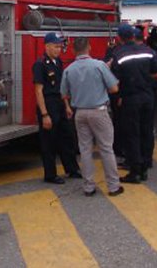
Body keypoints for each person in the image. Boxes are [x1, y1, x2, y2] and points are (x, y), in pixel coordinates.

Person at [61, 37, 123, 197]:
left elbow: (64, 94)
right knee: (106, 148)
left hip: (80, 113)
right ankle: (113, 186)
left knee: (85, 149)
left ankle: (88, 187)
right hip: (99, 111)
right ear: (89, 47)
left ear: (73, 51)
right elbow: (114, 88)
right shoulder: (99, 65)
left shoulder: (69, 69)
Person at [111, 24, 157, 183]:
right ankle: (146, 166)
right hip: (147, 97)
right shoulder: (149, 52)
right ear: (134, 36)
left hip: (130, 99)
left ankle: (135, 171)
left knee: (132, 134)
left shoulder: (118, 55)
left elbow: (115, 83)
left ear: (119, 38)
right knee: (146, 131)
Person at [32, 32, 81, 184]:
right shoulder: (40, 64)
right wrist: (45, 114)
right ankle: (50, 174)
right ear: (46, 46)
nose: (59, 49)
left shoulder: (58, 62)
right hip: (48, 104)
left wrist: (66, 105)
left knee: (67, 137)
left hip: (59, 103)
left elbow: (62, 87)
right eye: (55, 46)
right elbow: (38, 90)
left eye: (60, 46)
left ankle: (72, 169)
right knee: (49, 141)